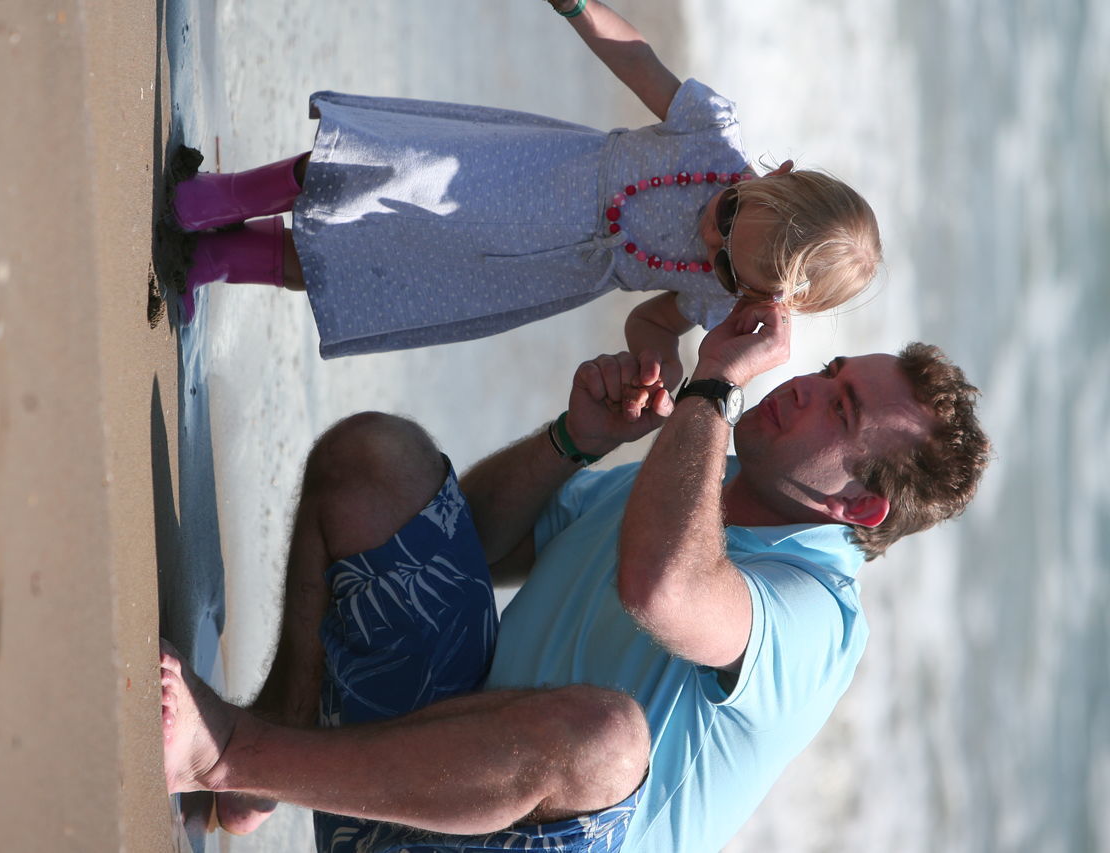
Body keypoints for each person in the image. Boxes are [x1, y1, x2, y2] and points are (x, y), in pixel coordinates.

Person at [159, 299, 991, 852]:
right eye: (834, 370)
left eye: (840, 410)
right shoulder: (691, 480)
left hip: (507, 823)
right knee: (376, 459)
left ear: (861, 509)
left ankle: (233, 755)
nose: (808, 386)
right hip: (401, 786)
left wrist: (716, 385)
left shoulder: (818, 616)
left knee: (606, 739)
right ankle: (268, 752)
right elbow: (469, 543)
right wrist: (572, 442)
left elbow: (663, 587)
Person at [165, 0, 881, 383]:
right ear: (776, 178)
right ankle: (222, 194)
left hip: (526, 275)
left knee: (370, 270)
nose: (708, 238)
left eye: (726, 261)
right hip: (520, 173)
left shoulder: (724, 298)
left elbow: (655, 324)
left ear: (764, 296)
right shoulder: (711, 135)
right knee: (376, 170)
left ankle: (222, 260)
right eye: (730, 214)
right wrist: (578, 9)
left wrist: (657, 366)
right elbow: (638, 59)